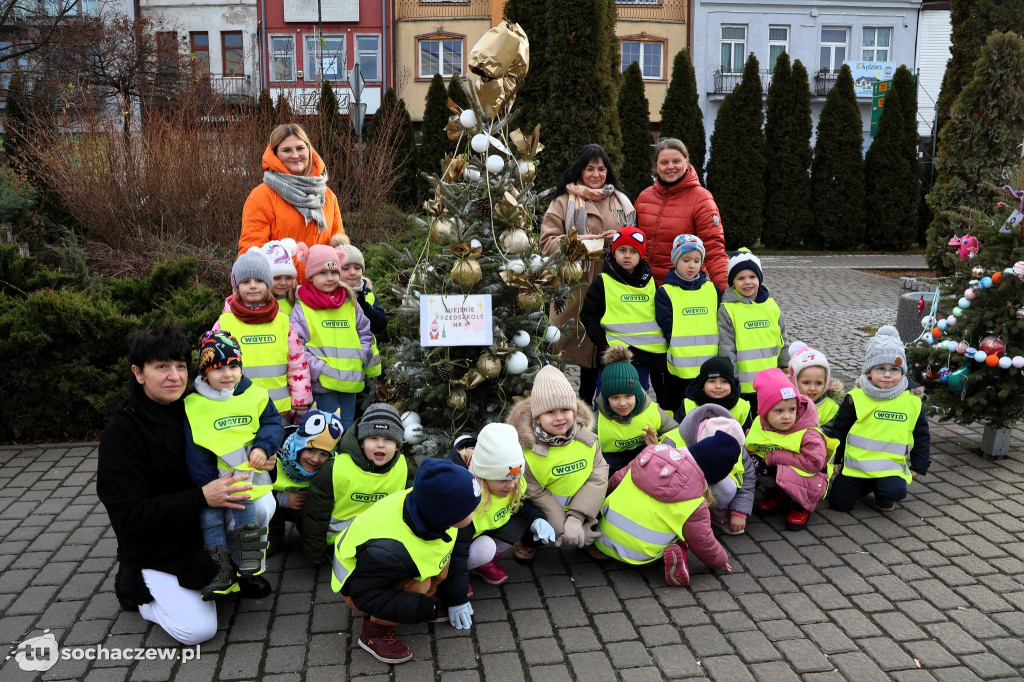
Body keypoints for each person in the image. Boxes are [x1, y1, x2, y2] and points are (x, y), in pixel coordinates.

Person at [97, 326, 266, 646]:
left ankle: (228, 569)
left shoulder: (196, 406)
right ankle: (138, 592)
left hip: (200, 527)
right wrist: (201, 497)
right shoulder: (123, 435)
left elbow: (238, 436)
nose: (174, 376)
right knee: (198, 631)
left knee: (261, 504)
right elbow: (130, 517)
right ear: (138, 372)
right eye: (161, 366)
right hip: (155, 546)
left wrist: (262, 455)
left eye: (180, 366)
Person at [332, 458, 481, 665]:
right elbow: (364, 595)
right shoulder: (389, 552)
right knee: (419, 585)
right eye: (468, 510)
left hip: (385, 570)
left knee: (437, 570)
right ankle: (374, 632)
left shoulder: (427, 507)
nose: (474, 512)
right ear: (445, 515)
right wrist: (421, 607)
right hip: (358, 586)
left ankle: (424, 598)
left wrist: (455, 597)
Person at [183, 331, 285, 599]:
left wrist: (264, 446)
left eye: (234, 366)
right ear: (205, 373)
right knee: (210, 522)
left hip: (250, 479)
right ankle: (220, 573)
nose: (227, 374)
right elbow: (195, 449)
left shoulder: (256, 394)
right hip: (212, 482)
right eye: (218, 368)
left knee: (260, 512)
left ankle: (250, 571)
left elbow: (274, 424)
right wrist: (207, 484)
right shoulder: (193, 403)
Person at [540, 144, 636, 405]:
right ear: (580, 170)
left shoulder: (621, 201)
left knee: (602, 342)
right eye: (590, 168)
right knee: (564, 343)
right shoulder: (563, 201)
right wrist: (578, 242)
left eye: (602, 168)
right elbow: (546, 243)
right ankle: (556, 399)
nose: (596, 174)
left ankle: (599, 401)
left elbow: (635, 241)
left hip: (613, 282)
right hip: (574, 285)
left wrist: (617, 240)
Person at [594, 438, 734, 586]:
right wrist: (720, 560)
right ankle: (679, 553)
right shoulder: (696, 502)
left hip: (602, 539)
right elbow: (703, 542)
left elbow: (615, 481)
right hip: (641, 557)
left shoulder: (646, 459)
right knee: (684, 535)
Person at [507, 365, 609, 559]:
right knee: (537, 524)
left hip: (581, 502)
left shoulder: (588, 441)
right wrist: (562, 527)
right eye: (550, 412)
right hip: (545, 504)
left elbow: (598, 477)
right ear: (537, 416)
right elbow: (534, 492)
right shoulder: (527, 451)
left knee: (603, 505)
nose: (560, 417)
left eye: (565, 409)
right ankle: (527, 541)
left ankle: (587, 535)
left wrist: (576, 518)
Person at [828, 326, 930, 514]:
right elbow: (840, 430)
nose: (888, 374)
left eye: (895, 369)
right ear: (868, 371)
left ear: (902, 372)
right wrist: (834, 459)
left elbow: (922, 435)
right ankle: (865, 485)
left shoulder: (911, 401)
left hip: (889, 469)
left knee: (894, 493)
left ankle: (883, 492)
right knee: (838, 504)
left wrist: (919, 465)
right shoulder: (855, 397)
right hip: (855, 467)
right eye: (880, 368)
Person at [447, 424, 555, 588]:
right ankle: (449, 577)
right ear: (483, 476)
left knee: (519, 522)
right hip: (454, 549)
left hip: (477, 536)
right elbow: (457, 550)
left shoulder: (511, 484)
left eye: (516, 477)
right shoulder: (466, 498)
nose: (512, 485)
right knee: (484, 549)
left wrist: (537, 519)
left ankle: (482, 564)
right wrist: (457, 593)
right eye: (503, 479)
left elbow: (521, 506)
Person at [239, 123, 348, 283]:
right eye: (287, 150)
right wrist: (249, 302)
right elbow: (251, 254)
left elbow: (338, 249)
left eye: (300, 148)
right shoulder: (261, 196)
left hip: (322, 295)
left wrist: (345, 290)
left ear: (309, 150)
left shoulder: (327, 196)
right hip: (281, 295)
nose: (295, 155)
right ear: (275, 154)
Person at [302, 404, 410, 564]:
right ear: (361, 442)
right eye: (373, 438)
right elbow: (316, 515)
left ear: (397, 446)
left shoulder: (404, 468)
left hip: (382, 537)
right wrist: (315, 552)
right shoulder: (335, 468)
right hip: (339, 539)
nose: (380, 444)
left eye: (388, 439)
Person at [213, 250, 312, 423]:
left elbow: (297, 365)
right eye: (246, 281)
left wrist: (301, 400)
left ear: (268, 284)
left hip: (278, 411)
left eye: (259, 280)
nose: (253, 285)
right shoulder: (224, 323)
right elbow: (213, 365)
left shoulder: (282, 322)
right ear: (236, 286)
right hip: (238, 409)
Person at [290, 244, 377, 430]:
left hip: (350, 380)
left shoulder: (349, 302)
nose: (330, 278)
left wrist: (362, 356)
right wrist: (319, 369)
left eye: (334, 272)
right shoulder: (302, 308)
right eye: (323, 273)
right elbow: (297, 345)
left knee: (345, 427)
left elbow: (364, 332)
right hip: (323, 384)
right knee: (327, 431)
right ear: (311, 276)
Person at [581, 226, 669, 405]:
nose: (627, 255)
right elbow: (588, 315)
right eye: (622, 250)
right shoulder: (602, 281)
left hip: (646, 355)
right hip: (614, 354)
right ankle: (603, 432)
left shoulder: (650, 281)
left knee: (638, 398)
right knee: (608, 397)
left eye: (633, 251)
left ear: (641, 255)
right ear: (614, 252)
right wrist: (603, 342)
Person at [745, 369, 837, 531]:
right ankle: (778, 495)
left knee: (785, 467)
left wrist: (779, 457)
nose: (787, 416)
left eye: (791, 410)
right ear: (765, 413)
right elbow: (751, 446)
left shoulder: (808, 432)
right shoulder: (760, 425)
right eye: (779, 411)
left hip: (811, 477)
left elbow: (815, 463)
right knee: (754, 462)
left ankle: (801, 505)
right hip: (783, 472)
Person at [634, 138, 728, 288]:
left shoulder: (701, 199)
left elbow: (714, 251)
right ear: (656, 165)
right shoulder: (644, 197)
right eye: (664, 162)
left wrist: (726, 292)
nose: (670, 167)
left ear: (687, 161)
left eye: (676, 161)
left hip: (682, 288)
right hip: (644, 287)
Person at [655, 234, 721, 413]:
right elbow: (666, 325)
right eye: (686, 260)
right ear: (675, 260)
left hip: (709, 368)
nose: (692, 265)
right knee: (678, 411)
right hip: (678, 370)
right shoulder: (665, 292)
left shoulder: (712, 290)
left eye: (697, 260)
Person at [718, 248, 789, 413]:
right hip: (744, 385)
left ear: (760, 279)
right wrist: (732, 378)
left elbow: (782, 336)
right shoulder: (728, 309)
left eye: (752, 277)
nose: (747, 282)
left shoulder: (771, 305)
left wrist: (785, 363)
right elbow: (726, 346)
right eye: (740, 278)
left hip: (772, 382)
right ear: (732, 282)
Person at [267, 406, 343, 556]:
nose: (315, 459)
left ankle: (308, 534)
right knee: (264, 505)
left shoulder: (334, 465)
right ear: (300, 446)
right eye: (310, 450)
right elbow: (255, 489)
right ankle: (274, 533)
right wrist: (282, 499)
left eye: (324, 454)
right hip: (275, 504)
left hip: (306, 507)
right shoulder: (273, 454)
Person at [593, 345, 678, 477]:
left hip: (648, 469)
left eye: (628, 396)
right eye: (615, 397)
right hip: (610, 472)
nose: (622, 403)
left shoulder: (653, 411)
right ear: (605, 398)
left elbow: (676, 434)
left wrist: (657, 445)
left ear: (637, 394)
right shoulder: (596, 421)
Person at [679, 404, 754, 535]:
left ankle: (717, 510)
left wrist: (740, 512)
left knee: (726, 486)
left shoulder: (736, 446)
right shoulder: (676, 440)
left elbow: (748, 480)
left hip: (714, 489)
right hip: (681, 495)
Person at [677, 356, 754, 430]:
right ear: (703, 385)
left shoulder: (742, 407)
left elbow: (748, 437)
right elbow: (677, 434)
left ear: (732, 385)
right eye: (712, 381)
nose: (718, 386)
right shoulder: (688, 406)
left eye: (724, 381)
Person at [787, 341, 844, 436]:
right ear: (794, 381)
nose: (812, 388)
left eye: (819, 383)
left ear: (826, 382)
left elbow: (832, 436)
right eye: (806, 383)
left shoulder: (831, 409)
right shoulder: (785, 402)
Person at [256, 238, 299, 316]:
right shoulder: (254, 305)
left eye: (288, 278)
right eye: (277, 278)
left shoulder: (296, 301)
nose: (283, 283)